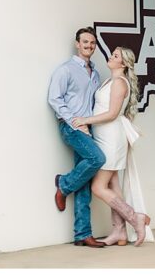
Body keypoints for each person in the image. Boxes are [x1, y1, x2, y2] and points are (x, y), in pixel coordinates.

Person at [72, 47, 153, 246]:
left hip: (111, 139)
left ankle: (135, 218)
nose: (111, 57)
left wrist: (85, 120)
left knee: (98, 187)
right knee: (113, 185)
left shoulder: (119, 83)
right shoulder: (110, 80)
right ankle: (119, 232)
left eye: (115, 56)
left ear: (123, 64)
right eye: (113, 54)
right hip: (103, 136)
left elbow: (112, 113)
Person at [48, 27, 107, 248]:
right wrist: (74, 121)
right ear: (77, 43)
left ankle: (82, 234)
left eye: (92, 43)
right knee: (97, 159)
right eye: (85, 42)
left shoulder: (96, 73)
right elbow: (54, 99)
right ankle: (63, 184)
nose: (89, 46)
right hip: (71, 127)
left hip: (87, 129)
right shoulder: (66, 70)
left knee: (84, 183)